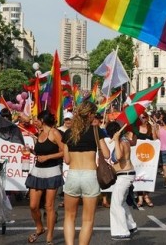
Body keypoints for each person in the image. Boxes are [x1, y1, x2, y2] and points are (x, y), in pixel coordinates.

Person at [62, 101, 111, 245]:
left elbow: (66, 160)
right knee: (88, 220)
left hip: (73, 174)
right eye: (94, 114)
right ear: (89, 115)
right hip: (90, 175)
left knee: (69, 216)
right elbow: (107, 155)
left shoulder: (68, 133)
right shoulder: (96, 131)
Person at [25, 110, 64, 245]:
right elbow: (40, 152)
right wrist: (32, 151)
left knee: (49, 206)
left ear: (43, 120)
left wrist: (47, 157)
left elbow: (64, 151)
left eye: (37, 119)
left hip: (52, 172)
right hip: (37, 172)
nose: (35, 121)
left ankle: (49, 238)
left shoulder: (54, 133)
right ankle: (40, 228)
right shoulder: (39, 133)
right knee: (33, 206)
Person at [106, 120, 138, 240]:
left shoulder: (121, 141)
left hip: (125, 175)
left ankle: (122, 231)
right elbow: (133, 142)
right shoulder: (124, 140)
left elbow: (119, 157)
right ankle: (131, 226)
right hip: (126, 174)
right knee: (122, 201)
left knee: (116, 204)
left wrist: (115, 140)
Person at [134, 113, 155, 208]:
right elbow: (133, 140)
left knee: (148, 175)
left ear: (146, 118)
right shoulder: (136, 128)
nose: (141, 119)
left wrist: (154, 128)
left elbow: (155, 140)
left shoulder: (150, 128)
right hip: (138, 156)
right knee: (138, 176)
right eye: (140, 117)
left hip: (149, 157)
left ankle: (146, 196)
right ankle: (140, 198)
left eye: (143, 117)